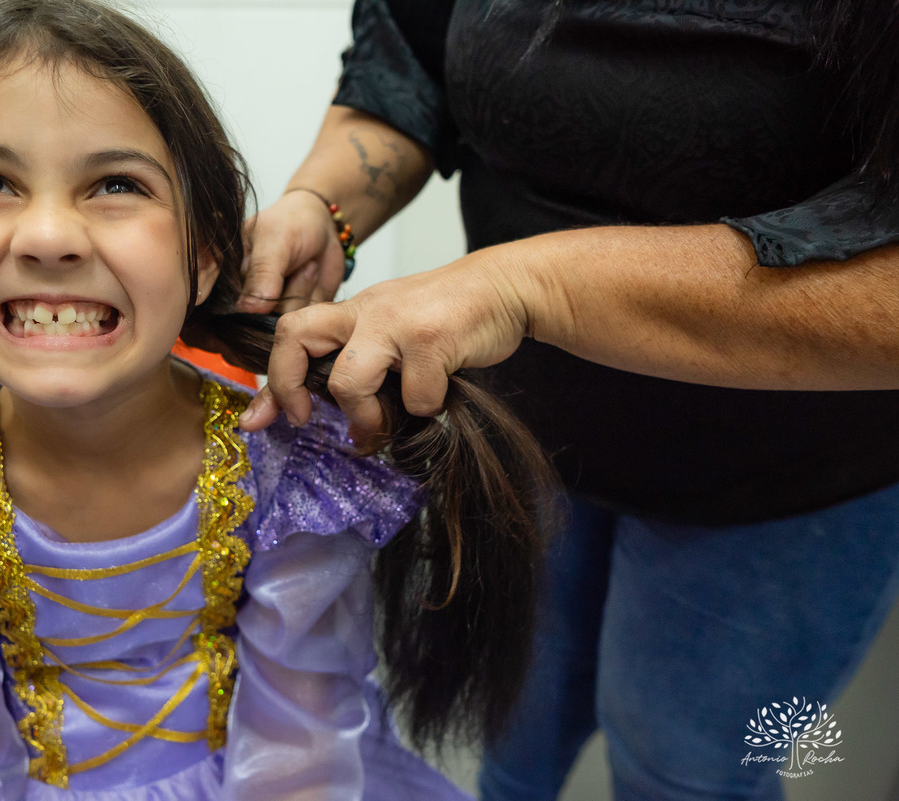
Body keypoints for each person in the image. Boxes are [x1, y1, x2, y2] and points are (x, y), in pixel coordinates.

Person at [0, 1, 558, 798]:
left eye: (115, 185)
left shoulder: (290, 474)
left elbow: (299, 752)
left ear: (206, 252)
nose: (48, 235)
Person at [234, 1, 899, 800]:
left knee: (689, 773)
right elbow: (411, 56)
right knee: (511, 744)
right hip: (526, 444)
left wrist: (526, 285)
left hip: (790, 483)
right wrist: (323, 202)